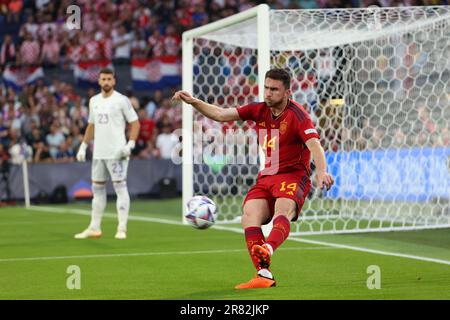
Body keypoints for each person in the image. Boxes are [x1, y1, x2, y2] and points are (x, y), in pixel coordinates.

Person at [172, 68, 334, 289]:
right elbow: (221, 114)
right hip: (267, 175)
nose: (268, 93)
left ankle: (267, 249)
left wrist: (322, 171)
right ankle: (264, 275)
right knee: (249, 215)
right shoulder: (259, 109)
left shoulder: (298, 115)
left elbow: (314, 144)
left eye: (274, 90)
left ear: (288, 92)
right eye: (266, 88)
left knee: (282, 209)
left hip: (293, 175)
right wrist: (193, 101)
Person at [75, 68, 140, 240]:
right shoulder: (93, 101)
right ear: (98, 81)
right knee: (97, 189)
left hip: (117, 152)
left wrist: (130, 144)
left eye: (109, 79)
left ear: (114, 81)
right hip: (98, 153)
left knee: (120, 188)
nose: (106, 82)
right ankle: (94, 227)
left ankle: (122, 228)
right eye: (103, 79)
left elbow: (135, 123)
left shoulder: (121, 100)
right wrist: (83, 146)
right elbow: (91, 125)